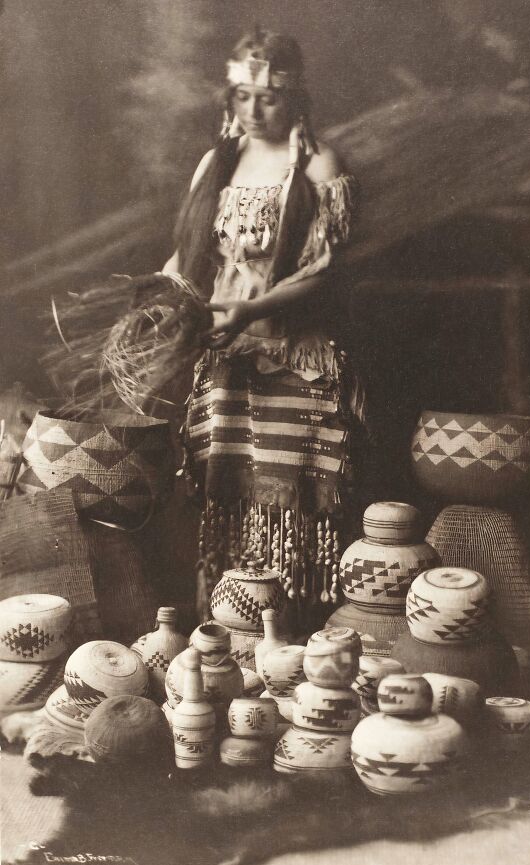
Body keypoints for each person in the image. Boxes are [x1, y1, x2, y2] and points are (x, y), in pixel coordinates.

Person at [162, 30, 363, 624]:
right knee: (223, 490)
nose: (252, 110)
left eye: (268, 98)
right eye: (242, 95)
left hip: (295, 353)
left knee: (289, 502)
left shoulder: (319, 163)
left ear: (295, 98)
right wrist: (162, 295)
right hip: (224, 351)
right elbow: (188, 255)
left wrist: (252, 310)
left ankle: (291, 635)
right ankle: (224, 631)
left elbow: (325, 269)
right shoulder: (218, 160)